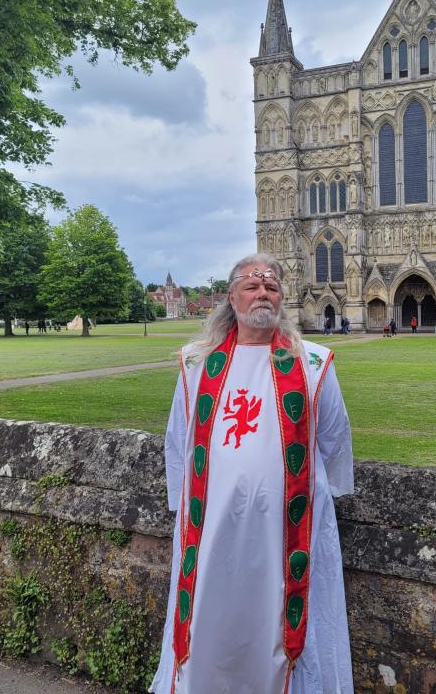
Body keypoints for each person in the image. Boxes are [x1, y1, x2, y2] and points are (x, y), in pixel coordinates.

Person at [150, 253, 354, 694]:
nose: (263, 293)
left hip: (285, 532)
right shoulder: (196, 363)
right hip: (211, 529)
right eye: (252, 286)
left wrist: (326, 496)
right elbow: (178, 438)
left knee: (279, 621)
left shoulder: (312, 364)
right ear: (232, 296)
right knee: (209, 615)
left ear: (282, 297)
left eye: (272, 287)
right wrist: (180, 505)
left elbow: (336, 437)